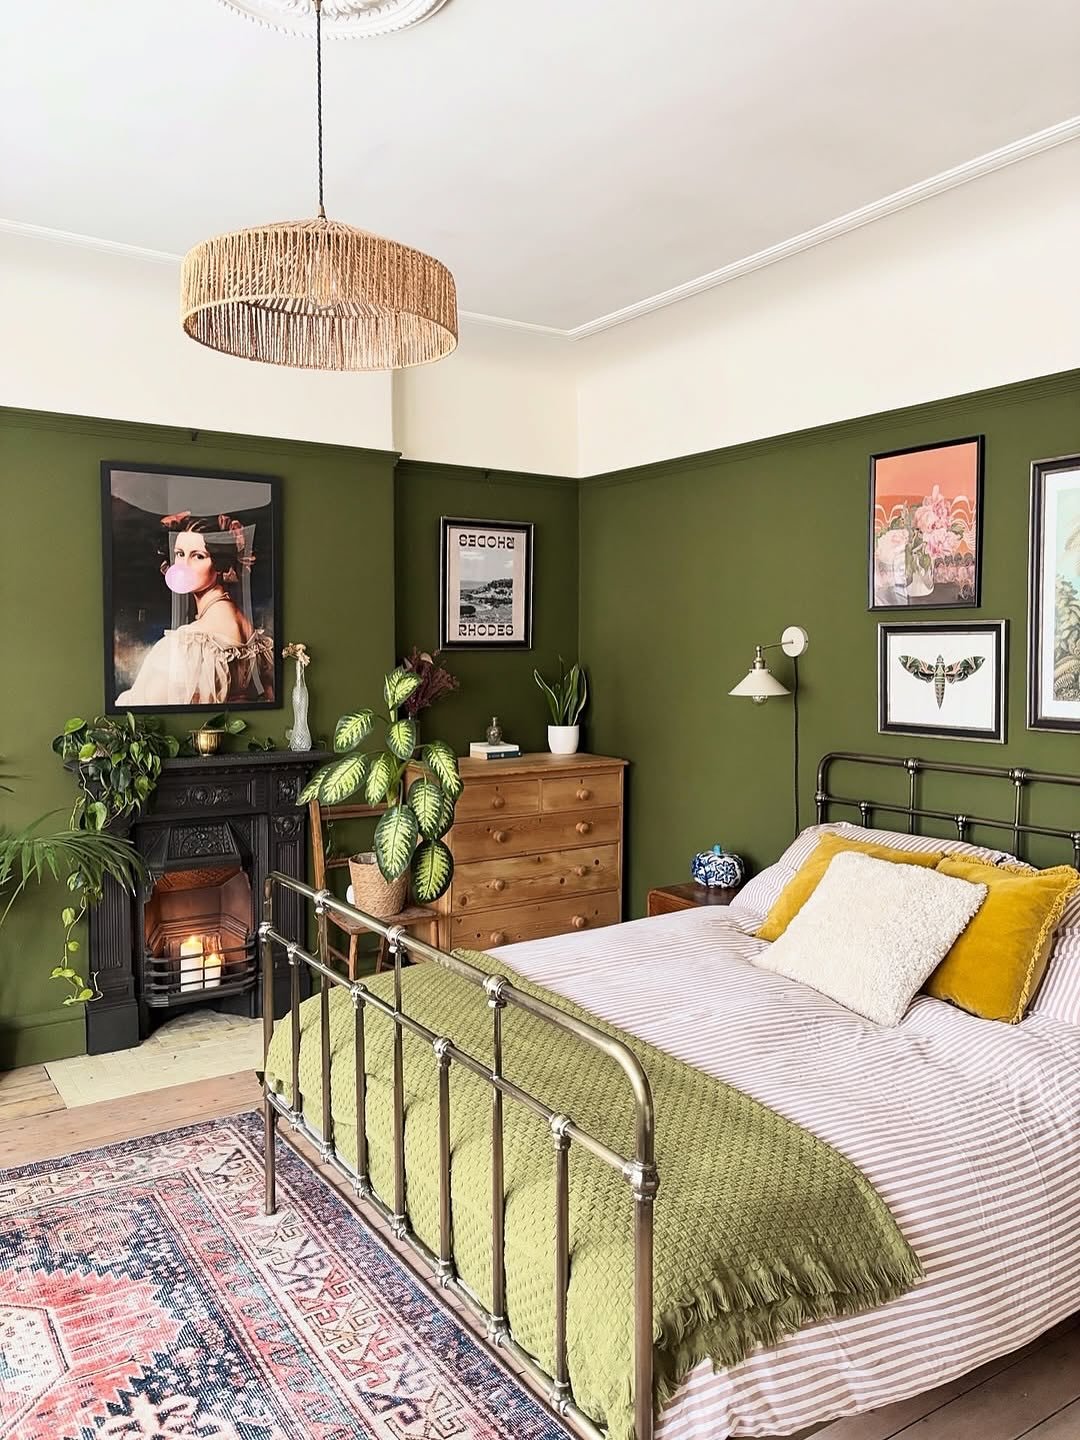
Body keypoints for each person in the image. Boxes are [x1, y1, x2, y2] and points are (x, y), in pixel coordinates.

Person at [115, 514, 274, 706]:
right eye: (180, 554)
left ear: (219, 562)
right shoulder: (240, 620)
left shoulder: (188, 643)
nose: (183, 565)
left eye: (198, 556)